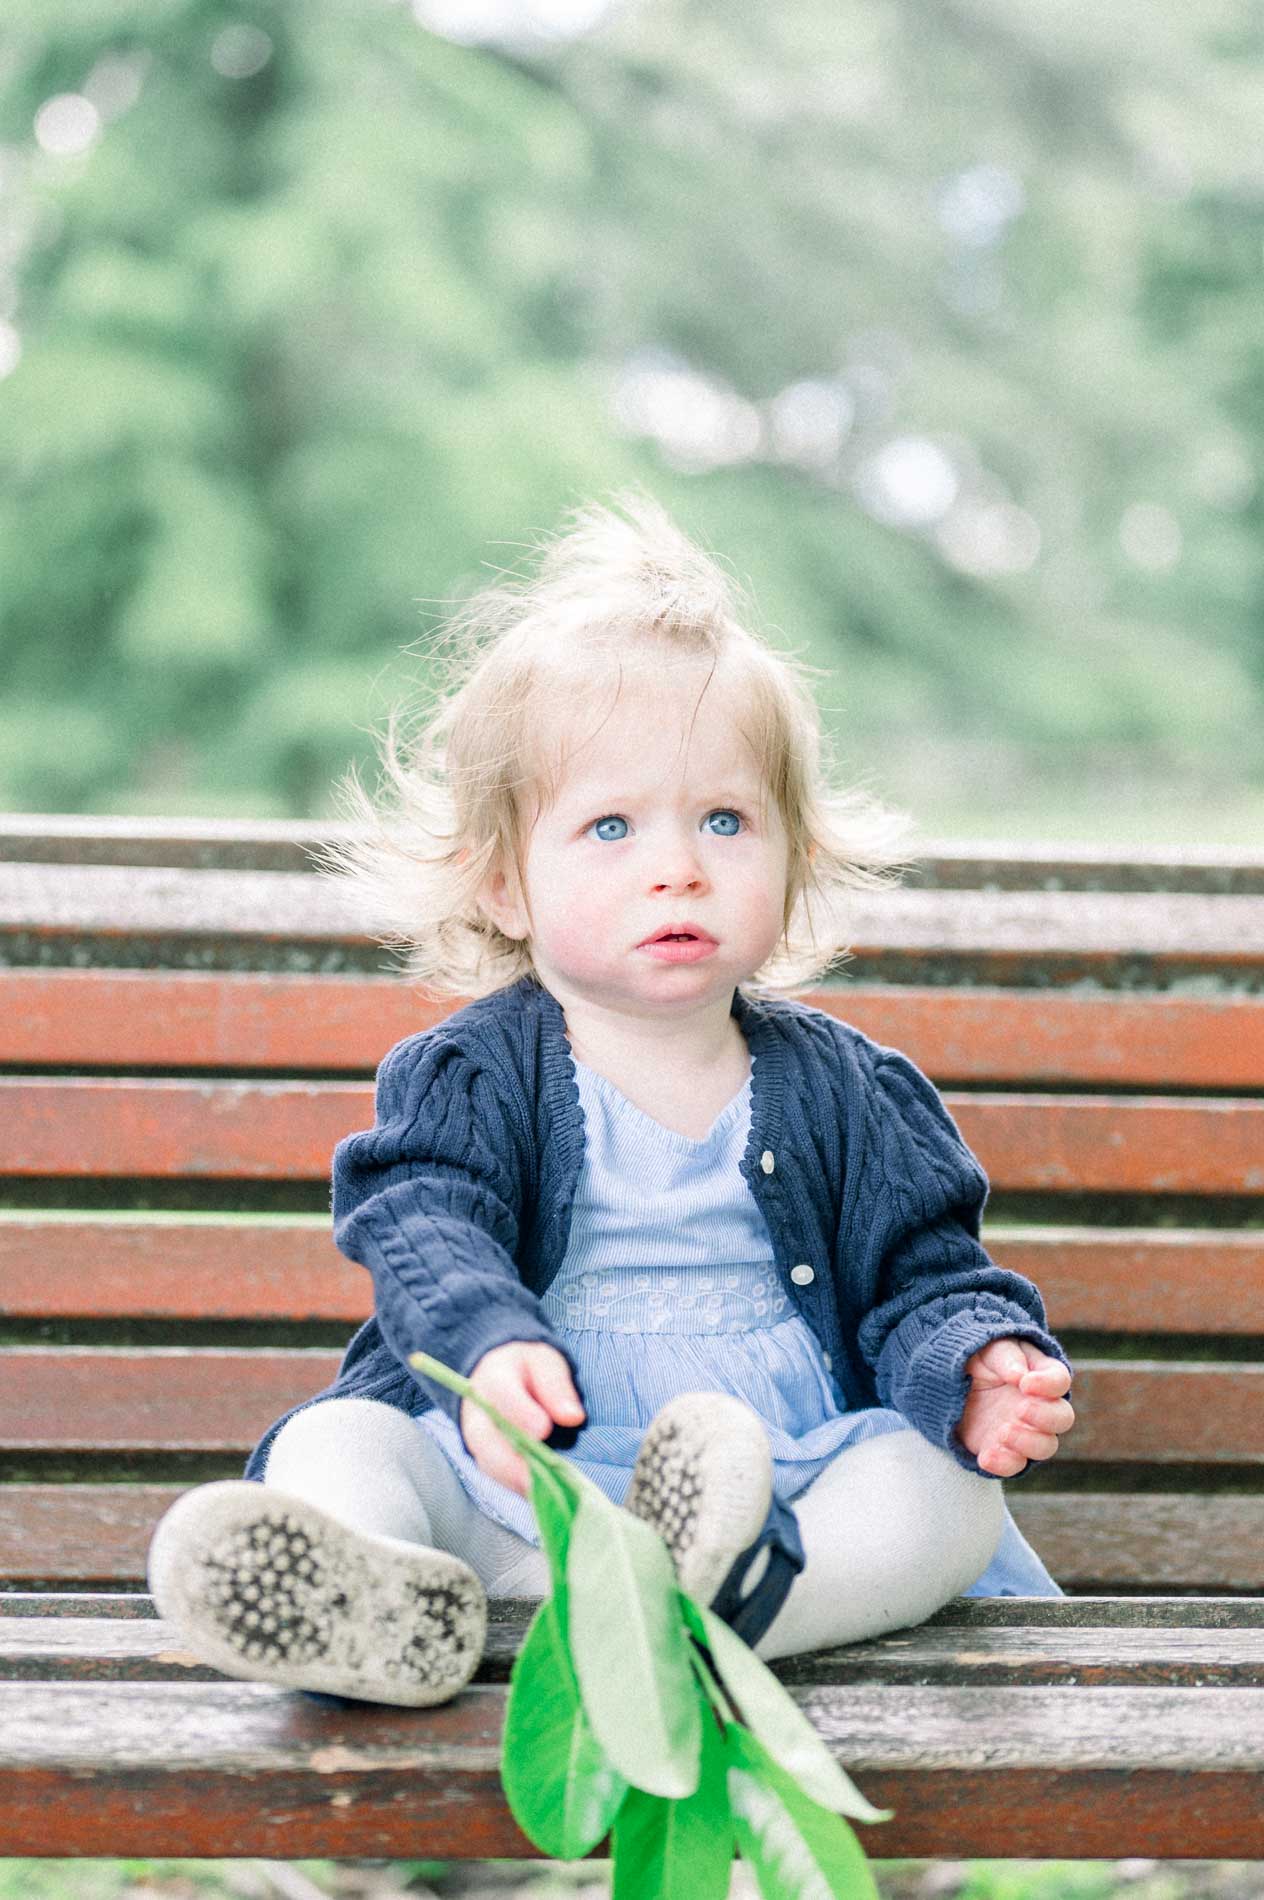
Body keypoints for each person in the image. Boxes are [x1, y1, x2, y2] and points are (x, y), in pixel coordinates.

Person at [149, 490, 1074, 1708]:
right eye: (610, 825)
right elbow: (418, 1221)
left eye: (726, 819)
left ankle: (712, 1612)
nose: (677, 863)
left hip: (775, 1493)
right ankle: (385, 1601)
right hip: (519, 1485)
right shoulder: (473, 1071)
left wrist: (973, 1364)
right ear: (503, 884)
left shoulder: (851, 1088)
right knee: (340, 1442)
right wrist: (488, 1345)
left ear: (794, 860)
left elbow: (928, 1276)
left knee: (945, 1493)